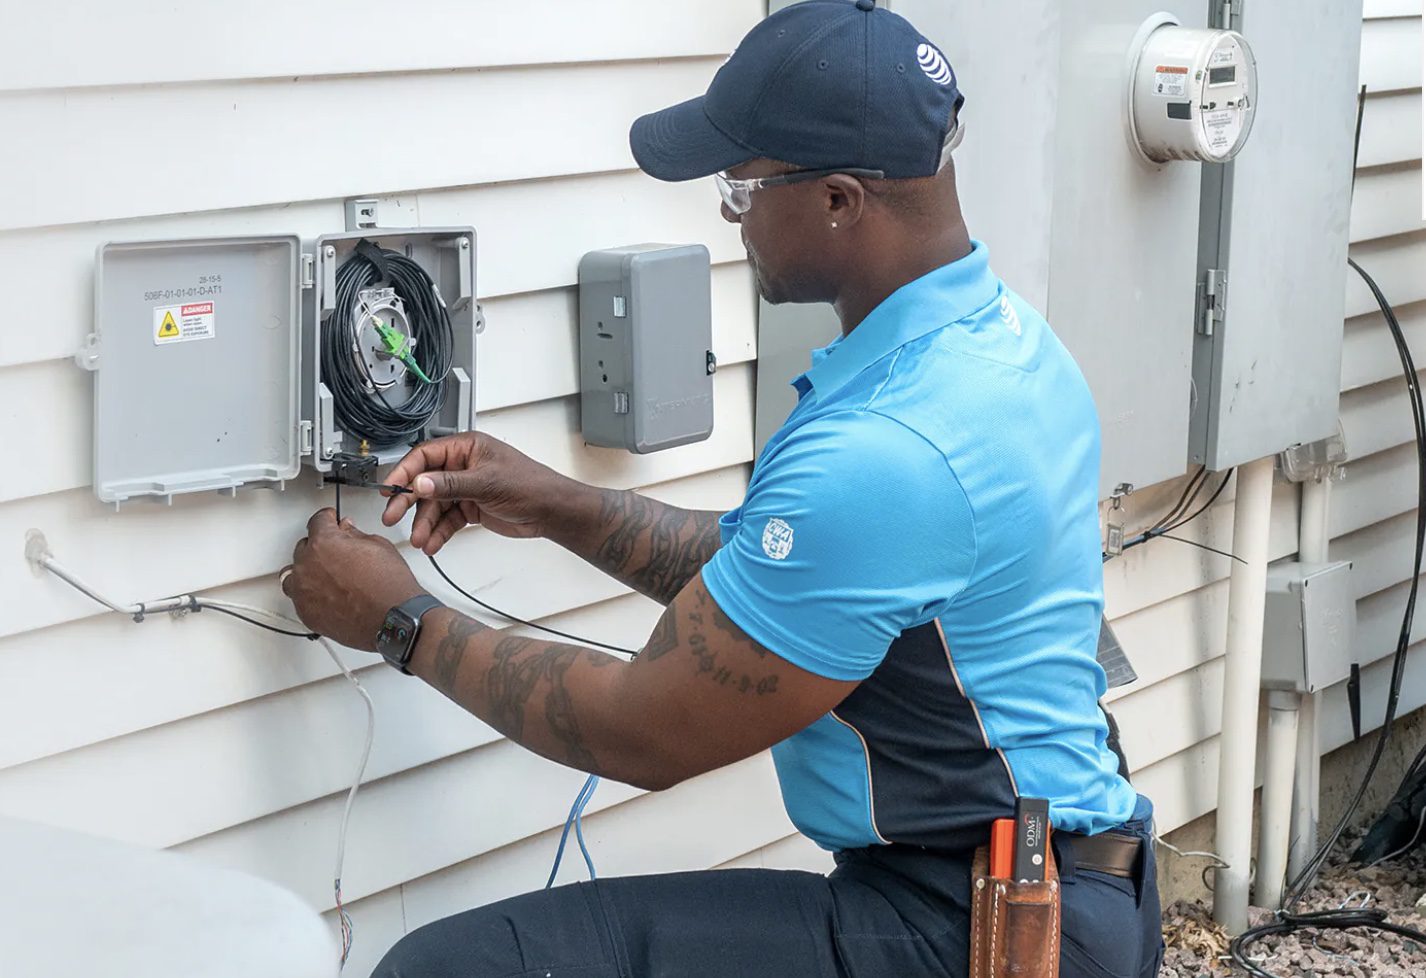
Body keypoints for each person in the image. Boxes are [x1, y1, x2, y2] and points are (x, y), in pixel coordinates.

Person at [282, 2, 1164, 975]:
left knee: (456, 968)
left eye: (739, 188)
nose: (723, 211)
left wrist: (397, 620)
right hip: (1042, 887)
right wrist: (560, 503)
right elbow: (798, 582)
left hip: (982, 934)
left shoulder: (890, 450)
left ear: (837, 199)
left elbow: (641, 730)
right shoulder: (998, 352)